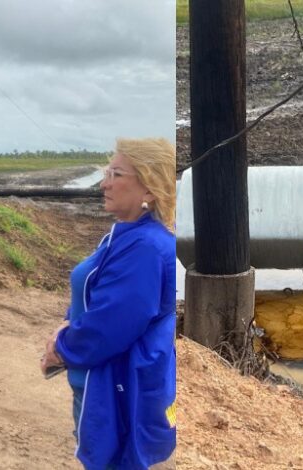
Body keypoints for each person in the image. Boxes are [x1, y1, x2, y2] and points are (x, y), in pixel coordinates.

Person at [41, 138, 177, 469]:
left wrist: (62, 347)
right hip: (102, 381)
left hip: (116, 388)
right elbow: (94, 291)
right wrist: (68, 322)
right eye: (106, 173)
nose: (104, 183)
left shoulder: (144, 247)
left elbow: (111, 325)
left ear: (148, 189)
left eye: (116, 174)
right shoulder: (127, 234)